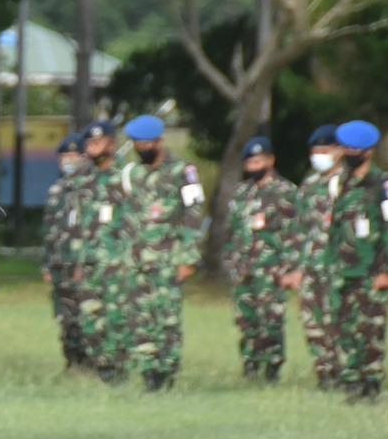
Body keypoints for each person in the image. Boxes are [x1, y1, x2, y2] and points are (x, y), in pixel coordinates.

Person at [122, 115, 205, 391]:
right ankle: (148, 372)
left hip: (169, 258)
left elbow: (194, 215)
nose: (141, 148)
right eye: (136, 143)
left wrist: (189, 258)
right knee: (140, 317)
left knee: (167, 318)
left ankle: (167, 370)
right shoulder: (135, 173)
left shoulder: (183, 172)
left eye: (146, 143)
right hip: (138, 260)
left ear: (159, 142)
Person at [326, 120, 388, 402]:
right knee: (343, 326)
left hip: (371, 268)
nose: (345, 153)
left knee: (370, 327)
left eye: (351, 148)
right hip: (343, 269)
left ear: (367, 151)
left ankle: (370, 382)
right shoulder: (341, 184)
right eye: (343, 147)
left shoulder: (383, 184)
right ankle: (349, 380)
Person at [222, 137, 301, 383]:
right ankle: (251, 361)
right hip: (243, 267)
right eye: (250, 162)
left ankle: (273, 364)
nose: (254, 165)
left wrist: (290, 267)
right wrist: (231, 260)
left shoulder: (285, 192)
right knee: (246, 318)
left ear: (270, 160)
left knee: (271, 317)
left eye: (258, 160)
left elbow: (294, 232)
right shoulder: (242, 192)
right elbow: (232, 230)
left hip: (272, 268)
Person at [74, 119, 134, 383]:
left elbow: (136, 220)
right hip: (89, 261)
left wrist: (130, 257)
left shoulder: (127, 175)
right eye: (90, 142)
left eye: (99, 141)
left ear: (112, 143)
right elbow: (79, 224)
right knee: (90, 317)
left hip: (118, 260)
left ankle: (118, 369)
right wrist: (77, 261)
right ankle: (101, 366)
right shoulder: (84, 178)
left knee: (117, 317)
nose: (94, 146)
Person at [291, 125, 342, 389]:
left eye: (324, 150)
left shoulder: (349, 183)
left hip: (340, 265)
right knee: (312, 320)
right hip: (312, 266)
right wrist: (296, 266)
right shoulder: (309, 186)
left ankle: (343, 369)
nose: (319, 156)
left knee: (339, 318)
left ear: (339, 151)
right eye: (315, 151)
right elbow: (299, 229)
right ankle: (323, 370)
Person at [41, 132, 87, 371]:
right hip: (60, 265)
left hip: (82, 263)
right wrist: (46, 264)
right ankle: (72, 361)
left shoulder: (89, 189)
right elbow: (48, 230)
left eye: (72, 155)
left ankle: (90, 362)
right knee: (65, 316)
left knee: (86, 315)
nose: (67, 160)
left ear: (83, 157)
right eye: (63, 156)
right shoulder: (56, 191)